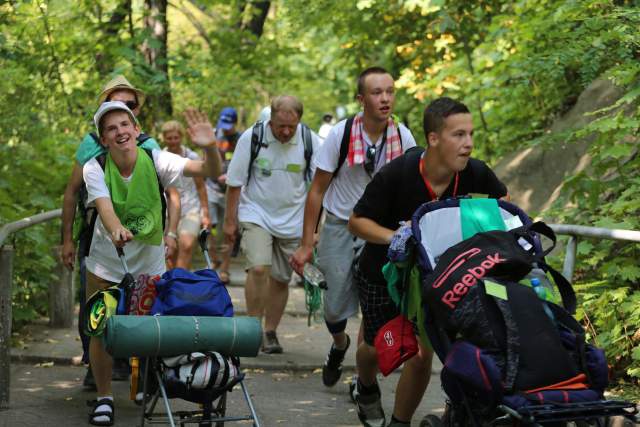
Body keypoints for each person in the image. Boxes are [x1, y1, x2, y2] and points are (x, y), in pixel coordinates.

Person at [348, 97, 508, 427]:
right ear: (434, 138)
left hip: (438, 278)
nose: (468, 144)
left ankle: (399, 422)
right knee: (378, 350)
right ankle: (365, 386)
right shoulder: (397, 174)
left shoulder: (476, 173)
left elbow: (504, 207)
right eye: (459, 135)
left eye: (470, 135)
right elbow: (357, 222)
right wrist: (397, 237)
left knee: (421, 353)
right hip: (382, 273)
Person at [84, 101, 221, 426]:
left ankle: (145, 383)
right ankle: (105, 397)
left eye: (124, 125)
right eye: (111, 128)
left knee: (150, 328)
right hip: (104, 265)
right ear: (104, 139)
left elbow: (209, 171)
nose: (120, 132)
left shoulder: (156, 159)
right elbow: (104, 206)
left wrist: (210, 147)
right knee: (100, 330)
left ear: (136, 130)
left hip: (149, 264)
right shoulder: (95, 167)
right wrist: (115, 226)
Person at [290, 66, 417, 391]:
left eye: (390, 91)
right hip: (341, 225)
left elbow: (412, 187)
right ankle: (340, 344)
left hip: (380, 230)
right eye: (377, 92)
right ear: (361, 99)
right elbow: (316, 190)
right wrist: (307, 244)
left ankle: (364, 380)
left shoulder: (402, 137)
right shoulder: (340, 134)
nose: (385, 98)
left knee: (371, 308)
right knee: (334, 309)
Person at [59, 75, 179, 388]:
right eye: (115, 101)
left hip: (144, 243)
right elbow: (72, 191)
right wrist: (67, 239)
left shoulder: (149, 146)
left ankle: (135, 371)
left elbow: (170, 191)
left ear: (136, 116)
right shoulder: (90, 145)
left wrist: (171, 232)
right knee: (96, 311)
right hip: (98, 236)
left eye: (129, 105)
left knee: (142, 308)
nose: (121, 107)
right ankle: (95, 368)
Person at [223, 95, 320, 354]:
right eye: (280, 126)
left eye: (291, 126)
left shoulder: (310, 141)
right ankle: (252, 330)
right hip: (256, 213)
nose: (286, 132)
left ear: (299, 121)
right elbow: (234, 183)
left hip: (293, 219)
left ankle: (270, 332)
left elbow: (319, 189)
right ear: (271, 120)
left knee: (281, 278)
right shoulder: (252, 138)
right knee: (258, 268)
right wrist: (229, 222)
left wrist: (314, 231)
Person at [162, 120, 210, 270]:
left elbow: (201, 187)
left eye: (176, 137)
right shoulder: (159, 157)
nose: (173, 141)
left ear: (181, 137)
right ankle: (171, 285)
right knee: (170, 252)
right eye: (169, 138)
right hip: (167, 211)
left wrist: (205, 213)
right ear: (164, 138)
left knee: (187, 245)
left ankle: (181, 283)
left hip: (190, 208)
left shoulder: (191, 156)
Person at [206, 107, 241, 283]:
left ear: (235, 123)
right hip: (212, 187)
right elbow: (205, 158)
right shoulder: (213, 135)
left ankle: (225, 268)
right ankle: (214, 260)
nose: (225, 129)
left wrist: (231, 176)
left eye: (229, 125)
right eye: (223, 124)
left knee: (229, 230)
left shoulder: (242, 139)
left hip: (231, 191)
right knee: (210, 227)